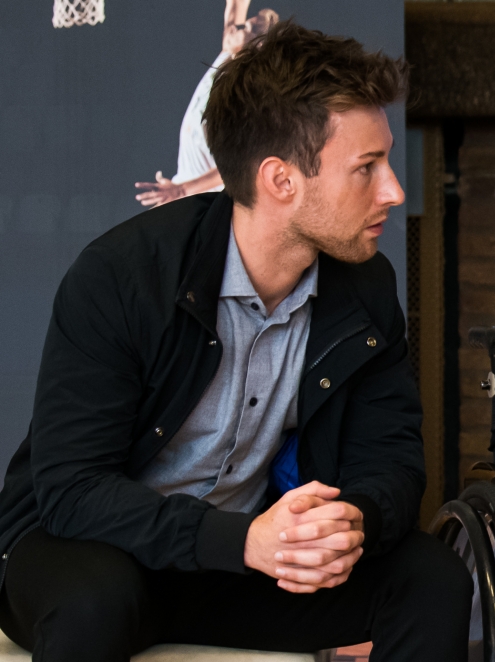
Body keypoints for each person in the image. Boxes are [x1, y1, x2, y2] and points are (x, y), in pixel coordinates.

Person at [0, 22, 470, 662]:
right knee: (94, 603)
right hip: (93, 552)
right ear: (281, 180)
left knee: (431, 578)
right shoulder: (123, 277)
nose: (394, 190)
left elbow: (390, 459)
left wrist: (349, 521)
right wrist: (242, 539)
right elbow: (72, 490)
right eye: (367, 168)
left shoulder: (365, 286)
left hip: (243, 564)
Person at [134, 0, 279, 207]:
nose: (241, 27)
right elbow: (234, 6)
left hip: (203, 197)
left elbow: (236, 165)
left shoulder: (245, 93)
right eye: (245, 23)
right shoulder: (228, 53)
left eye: (250, 27)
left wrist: (181, 190)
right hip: (183, 185)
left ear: (259, 45)